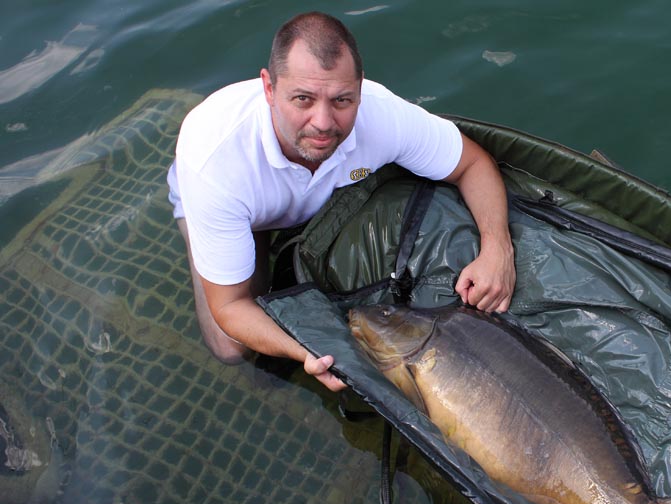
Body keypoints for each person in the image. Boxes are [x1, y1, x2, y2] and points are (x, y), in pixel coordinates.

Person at [167, 12, 516, 391]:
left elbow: (472, 163)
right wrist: (306, 352)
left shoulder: (382, 115)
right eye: (302, 99)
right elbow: (230, 306)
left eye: (341, 100)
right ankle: (216, 239)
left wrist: (498, 249)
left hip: (318, 202)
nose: (323, 122)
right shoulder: (215, 161)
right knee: (231, 347)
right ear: (268, 88)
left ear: (360, 90)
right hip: (239, 208)